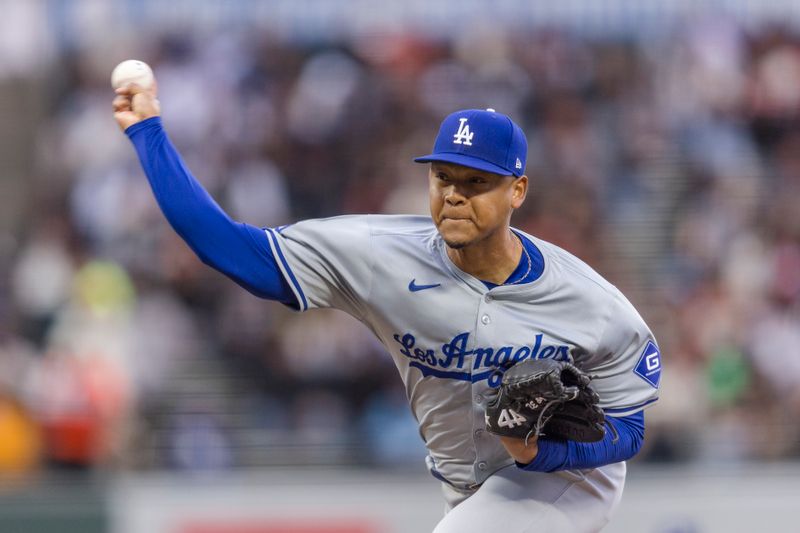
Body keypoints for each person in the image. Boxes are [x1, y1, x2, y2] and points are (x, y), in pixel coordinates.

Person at [113, 80, 661, 532]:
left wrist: (539, 455)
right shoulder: (380, 257)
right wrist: (147, 132)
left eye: (477, 182)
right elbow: (229, 247)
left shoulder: (591, 303)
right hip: (466, 485)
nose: (453, 195)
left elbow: (629, 432)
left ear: (517, 191)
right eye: (443, 176)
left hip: (568, 479)